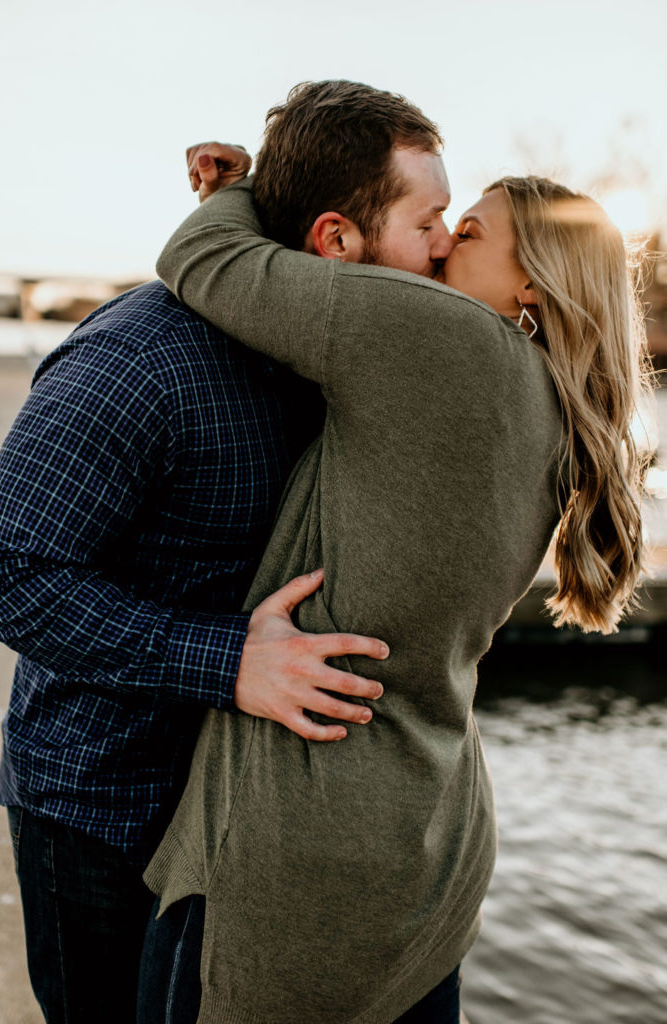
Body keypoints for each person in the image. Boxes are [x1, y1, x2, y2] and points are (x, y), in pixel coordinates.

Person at [140, 90, 651, 1022]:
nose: (446, 242)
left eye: (469, 229)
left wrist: (243, 187)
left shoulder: (445, 338)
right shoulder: (549, 413)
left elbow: (201, 259)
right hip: (431, 854)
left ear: (530, 283)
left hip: (301, 853)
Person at [0, 137, 410, 1023]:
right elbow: (2, 573)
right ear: (337, 240)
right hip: (105, 811)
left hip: (238, 812)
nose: (440, 246)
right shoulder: (140, 360)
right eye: (426, 221)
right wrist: (226, 660)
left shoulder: (333, 358)